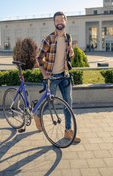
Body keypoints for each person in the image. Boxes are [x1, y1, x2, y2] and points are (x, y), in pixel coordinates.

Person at [34, 11, 81, 143]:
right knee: (49, 102)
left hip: (65, 75)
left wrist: (71, 53)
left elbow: (69, 55)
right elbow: (39, 57)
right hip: (52, 77)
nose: (60, 22)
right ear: (54, 23)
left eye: (62, 20)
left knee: (68, 103)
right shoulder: (48, 39)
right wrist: (44, 73)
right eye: (57, 20)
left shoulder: (68, 38)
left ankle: (68, 131)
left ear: (66, 22)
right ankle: (38, 116)